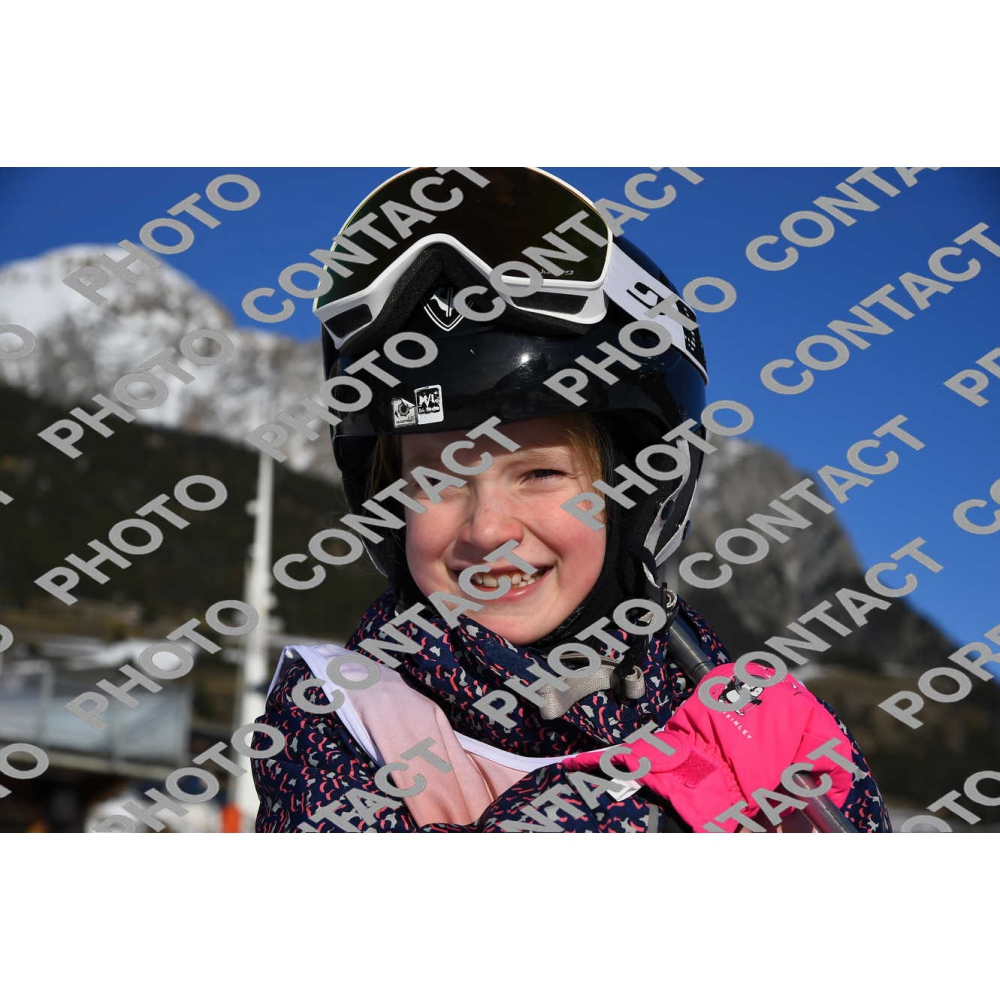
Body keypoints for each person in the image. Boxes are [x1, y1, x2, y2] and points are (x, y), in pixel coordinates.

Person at [252, 167, 890, 833]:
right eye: (436, 482)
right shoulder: (342, 709)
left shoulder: (766, 729)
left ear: (639, 495)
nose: (487, 529)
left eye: (538, 474)